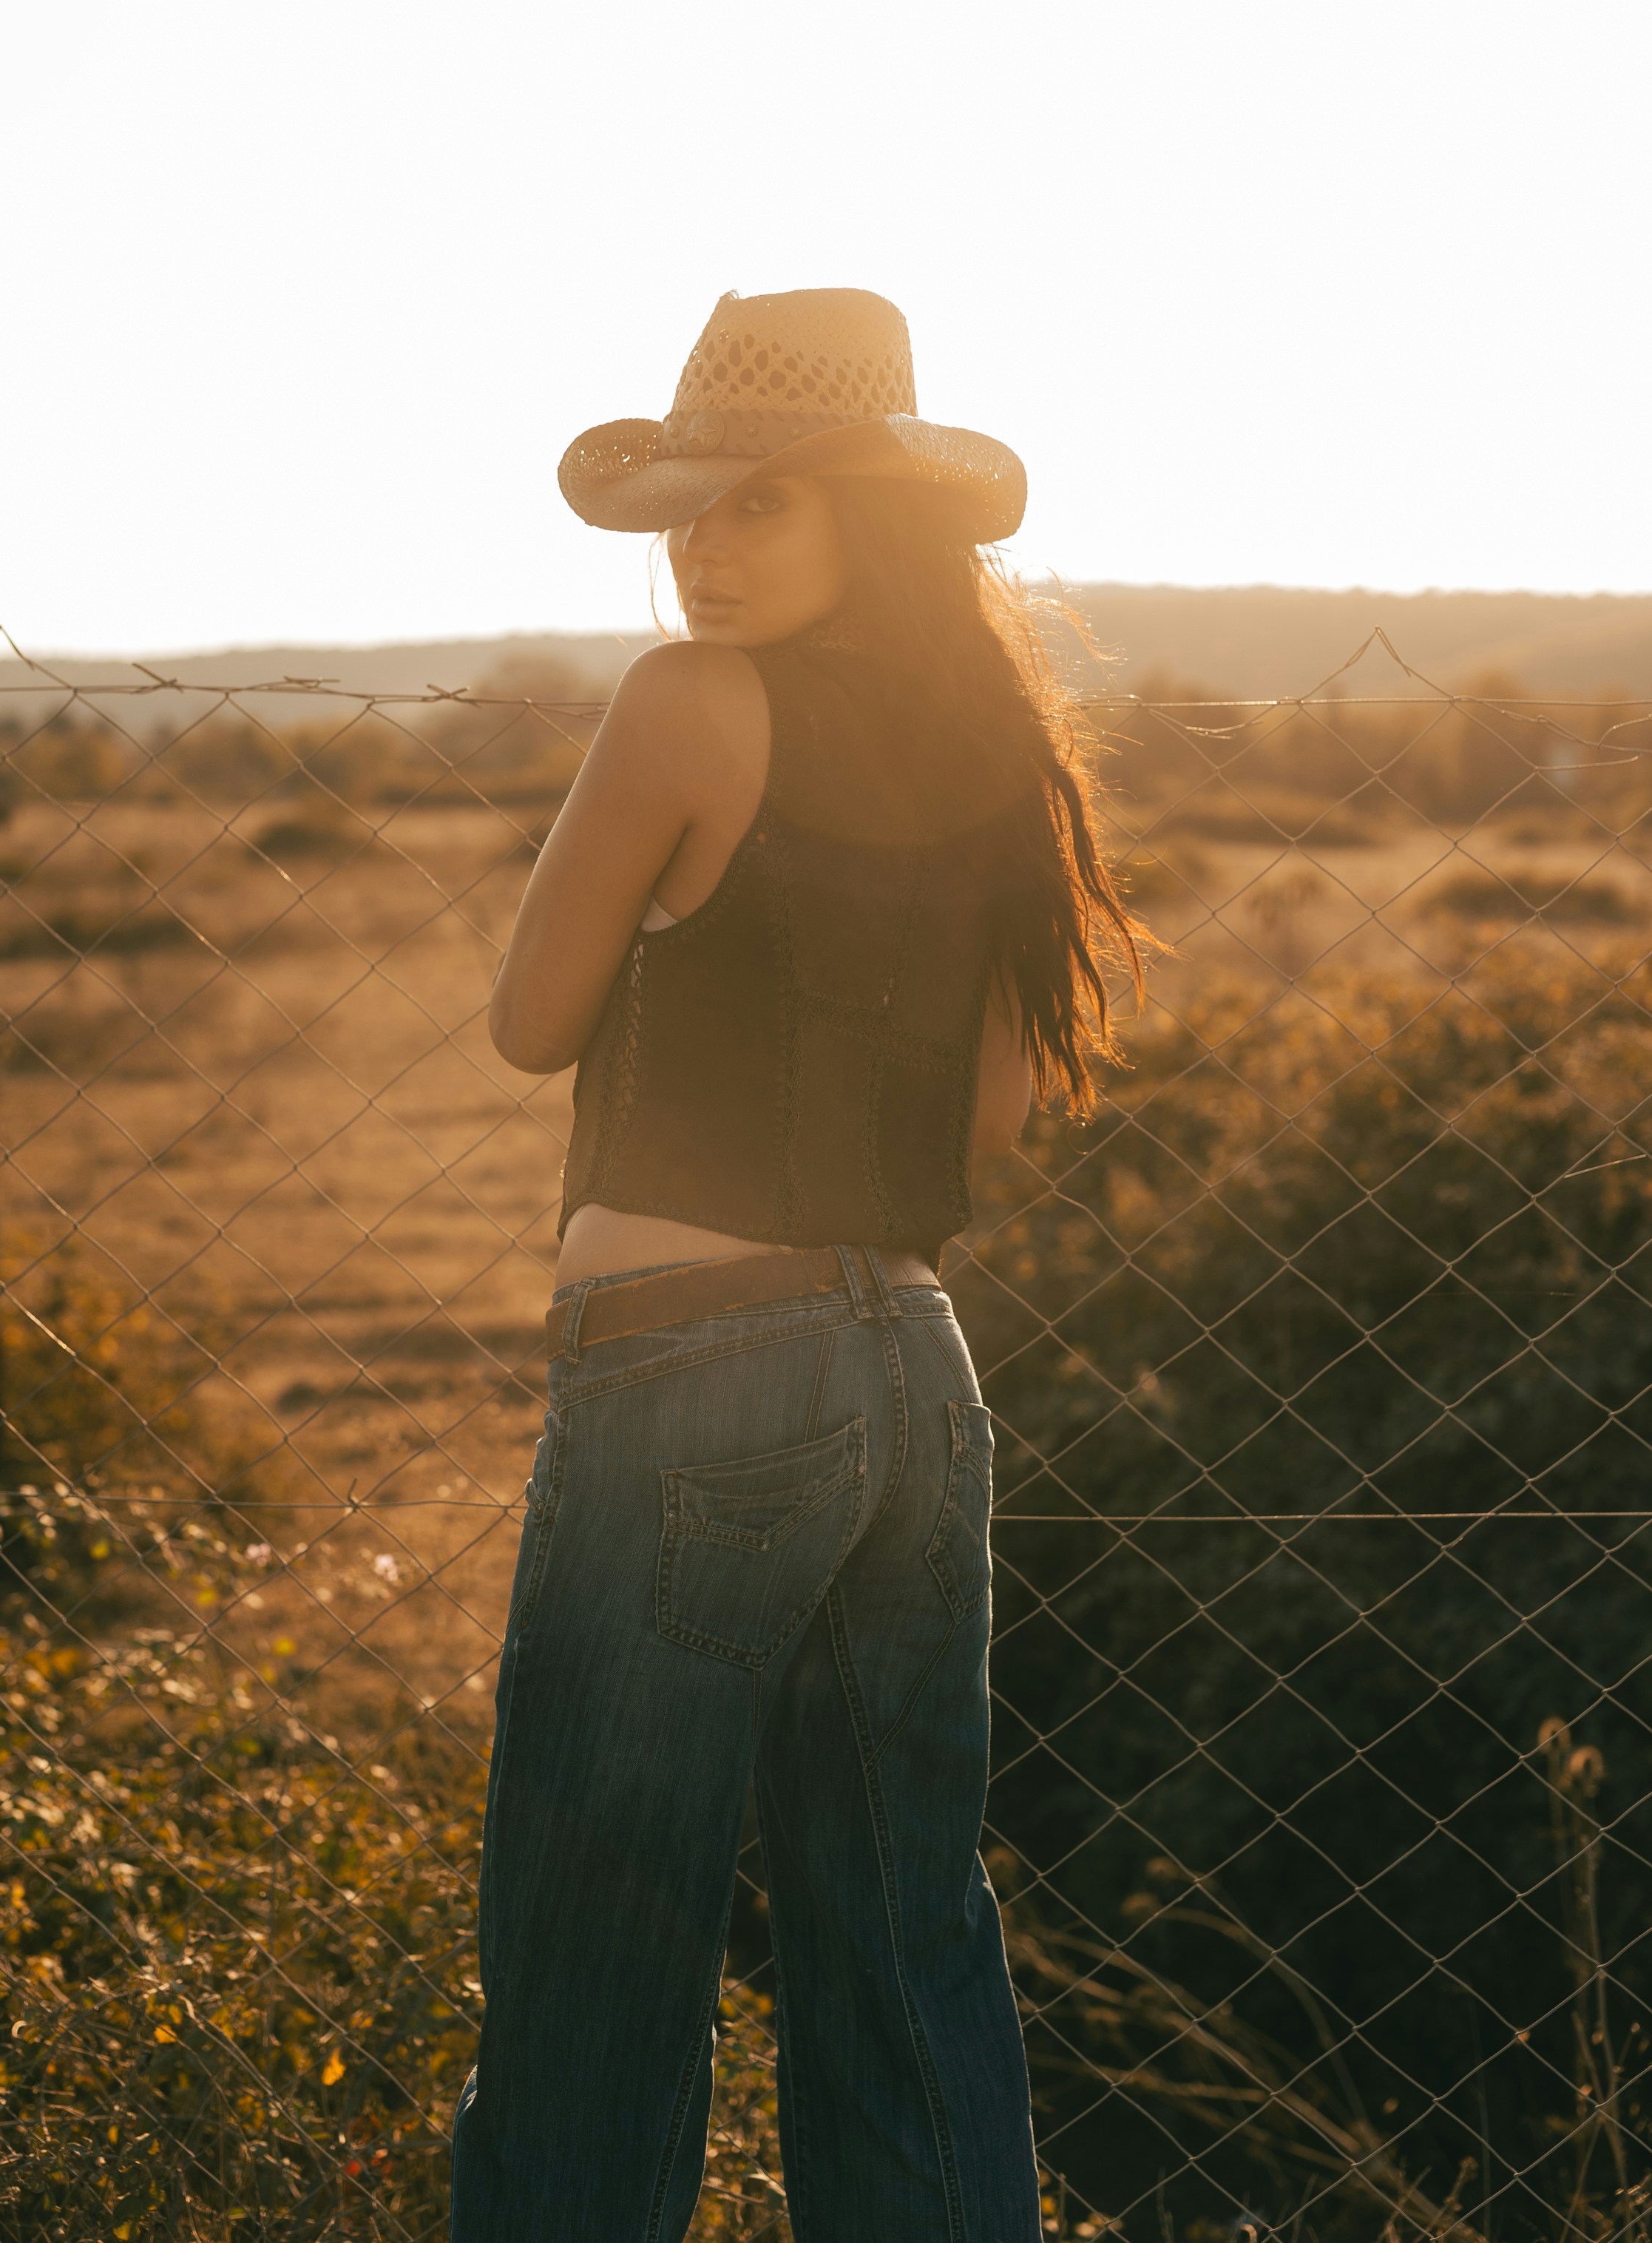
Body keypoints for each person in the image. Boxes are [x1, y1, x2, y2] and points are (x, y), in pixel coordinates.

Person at [450, 288, 1138, 2243]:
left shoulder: (683, 704)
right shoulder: (988, 758)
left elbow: (528, 1017)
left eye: (760, 504)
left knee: (602, 1953)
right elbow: (990, 1122)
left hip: (689, 1369)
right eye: (690, 507)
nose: (705, 547)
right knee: (903, 1954)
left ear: (869, 516)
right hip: (914, 1378)